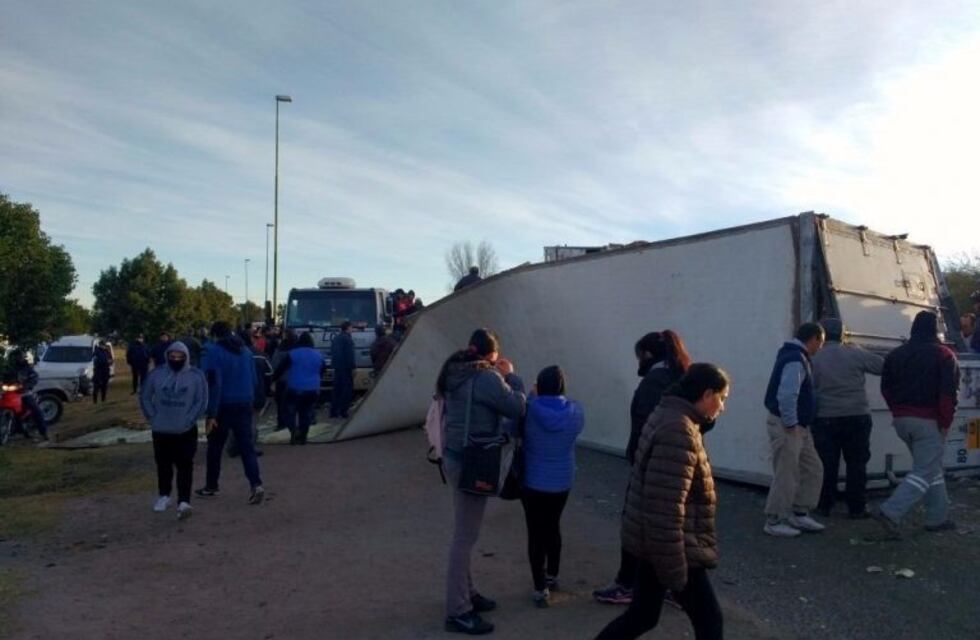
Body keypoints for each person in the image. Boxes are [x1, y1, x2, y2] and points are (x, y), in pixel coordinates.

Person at [594, 363, 730, 640]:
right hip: (674, 547)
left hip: (655, 544)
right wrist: (676, 573)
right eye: (722, 398)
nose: (723, 407)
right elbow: (664, 509)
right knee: (710, 622)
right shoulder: (678, 431)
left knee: (642, 616)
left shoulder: (671, 415)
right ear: (706, 394)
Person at [594, 330, 692, 606]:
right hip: (679, 465)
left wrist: (640, 456)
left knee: (636, 524)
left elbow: (646, 426)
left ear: (648, 354)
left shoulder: (654, 381)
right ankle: (676, 587)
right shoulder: (683, 374)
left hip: (651, 465)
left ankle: (628, 583)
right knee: (672, 527)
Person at [440, 328, 526, 635]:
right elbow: (516, 406)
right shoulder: (487, 377)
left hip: (454, 456)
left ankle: (467, 593)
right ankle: (457, 611)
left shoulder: (453, 372)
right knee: (464, 538)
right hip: (473, 461)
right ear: (491, 355)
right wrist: (511, 376)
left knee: (464, 532)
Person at [874, 311, 960, 537]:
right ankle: (891, 511)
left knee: (931, 467)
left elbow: (885, 388)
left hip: (902, 420)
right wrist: (945, 423)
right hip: (928, 421)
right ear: (935, 328)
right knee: (924, 470)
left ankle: (937, 517)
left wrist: (897, 410)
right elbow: (947, 396)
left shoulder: (895, 354)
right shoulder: (944, 355)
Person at [520, 365, 584, 608]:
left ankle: (539, 588)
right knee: (553, 526)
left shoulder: (529, 408)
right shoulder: (576, 412)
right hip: (562, 480)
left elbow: (512, 422)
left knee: (535, 532)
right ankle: (553, 574)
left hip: (533, 479)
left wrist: (530, 393)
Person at [811, 318, 884, 519]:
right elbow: (881, 367)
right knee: (857, 463)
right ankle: (857, 508)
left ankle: (824, 505)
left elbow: (810, 385)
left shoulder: (815, 357)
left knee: (827, 464)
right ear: (842, 334)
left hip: (826, 417)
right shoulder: (855, 353)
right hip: (857, 416)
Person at [762, 322, 826, 537]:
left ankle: (799, 512)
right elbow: (787, 395)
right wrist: (791, 424)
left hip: (797, 425)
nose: (821, 348)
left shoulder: (793, 356)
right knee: (786, 473)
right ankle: (775, 519)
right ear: (814, 338)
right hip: (789, 425)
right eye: (821, 343)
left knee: (813, 468)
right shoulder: (795, 360)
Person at [196, 321, 266, 505]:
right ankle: (256, 484)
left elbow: (212, 382)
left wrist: (211, 412)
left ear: (214, 334)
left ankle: (212, 486)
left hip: (223, 405)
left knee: (215, 448)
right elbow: (254, 379)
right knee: (247, 447)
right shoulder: (246, 351)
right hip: (244, 402)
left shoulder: (212, 351)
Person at [139, 342, 208, 521]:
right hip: (161, 429)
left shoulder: (196, 376)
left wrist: (190, 419)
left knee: (185, 465)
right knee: (163, 464)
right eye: (172, 356)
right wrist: (152, 416)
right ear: (167, 355)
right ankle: (164, 495)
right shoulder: (156, 374)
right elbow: (145, 396)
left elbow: (201, 400)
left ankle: (184, 501)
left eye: (180, 357)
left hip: (185, 429)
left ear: (186, 357)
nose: (176, 359)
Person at [272, 332, 325, 445]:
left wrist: (273, 379)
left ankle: (293, 430)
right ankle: (303, 438)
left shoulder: (293, 354)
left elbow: (281, 368)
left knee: (287, 411)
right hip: (312, 389)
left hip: (294, 387)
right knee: (306, 413)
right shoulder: (318, 355)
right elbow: (323, 370)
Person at [9, 349, 48, 441]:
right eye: (15, 357)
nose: (16, 359)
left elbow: (34, 378)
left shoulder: (28, 368)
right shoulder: (8, 368)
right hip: (9, 393)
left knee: (35, 410)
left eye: (18, 357)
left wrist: (27, 385)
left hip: (23, 393)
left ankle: (44, 432)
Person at [271, 330, 297, 430]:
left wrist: (274, 378)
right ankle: (292, 424)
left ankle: (281, 424)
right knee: (292, 404)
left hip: (282, 380)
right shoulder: (297, 350)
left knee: (281, 404)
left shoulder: (280, 349)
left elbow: (274, 365)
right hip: (294, 380)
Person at [330, 321, 356, 419]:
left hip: (337, 368)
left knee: (336, 390)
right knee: (347, 390)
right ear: (348, 328)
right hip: (346, 368)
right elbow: (350, 355)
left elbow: (332, 352)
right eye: (351, 328)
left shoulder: (336, 338)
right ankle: (343, 411)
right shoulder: (348, 339)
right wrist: (353, 367)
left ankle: (333, 411)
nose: (352, 330)